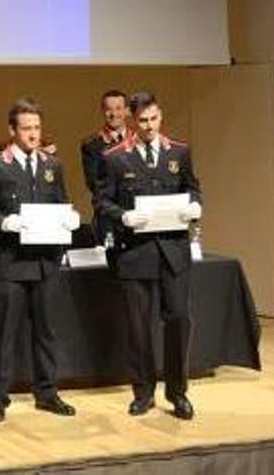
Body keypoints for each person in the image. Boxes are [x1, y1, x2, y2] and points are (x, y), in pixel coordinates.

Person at [0, 98, 81, 422]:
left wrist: (71, 217)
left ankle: (47, 393)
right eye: (26, 128)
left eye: (37, 128)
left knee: (47, 331)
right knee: (5, 334)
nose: (33, 134)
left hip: (46, 262)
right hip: (12, 263)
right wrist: (4, 222)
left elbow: (62, 202)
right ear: (12, 131)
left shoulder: (52, 166)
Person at [97, 92, 202, 420]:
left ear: (160, 117)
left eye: (153, 119)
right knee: (138, 327)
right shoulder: (115, 157)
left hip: (173, 251)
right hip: (136, 253)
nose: (148, 127)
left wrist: (196, 206)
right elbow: (102, 202)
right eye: (142, 121)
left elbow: (193, 187)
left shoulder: (180, 151)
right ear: (132, 120)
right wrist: (122, 216)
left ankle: (177, 392)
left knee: (179, 321)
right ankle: (143, 392)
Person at [80, 90, 133, 243]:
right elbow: (94, 184)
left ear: (127, 111)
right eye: (109, 109)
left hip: (137, 213)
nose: (114, 113)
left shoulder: (138, 140)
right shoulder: (92, 145)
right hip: (107, 216)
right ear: (103, 111)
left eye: (118, 108)